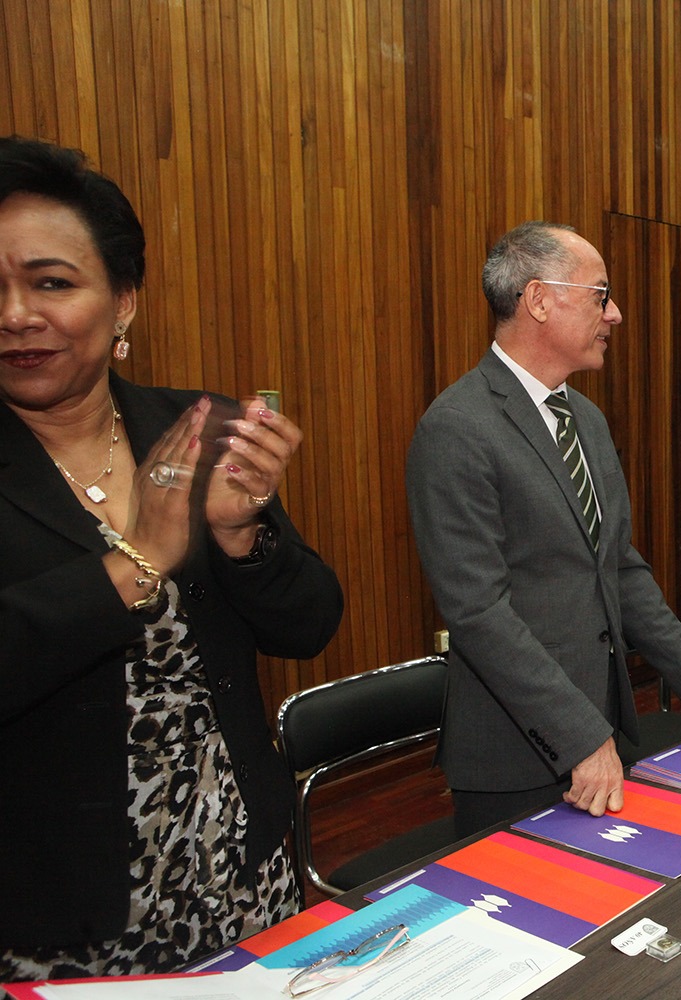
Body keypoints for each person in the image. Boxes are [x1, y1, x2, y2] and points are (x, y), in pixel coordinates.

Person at [0, 136, 344, 979]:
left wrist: (241, 536)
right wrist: (135, 563)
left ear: (123, 301)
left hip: (239, 859)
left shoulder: (196, 427)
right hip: (54, 908)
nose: (16, 314)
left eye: (51, 283)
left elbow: (309, 625)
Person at [406, 221, 681, 837]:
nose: (615, 314)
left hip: (602, 726)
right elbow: (479, 614)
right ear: (539, 300)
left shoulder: (585, 419)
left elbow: (616, 565)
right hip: (517, 752)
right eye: (601, 295)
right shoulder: (457, 427)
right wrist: (578, 735)